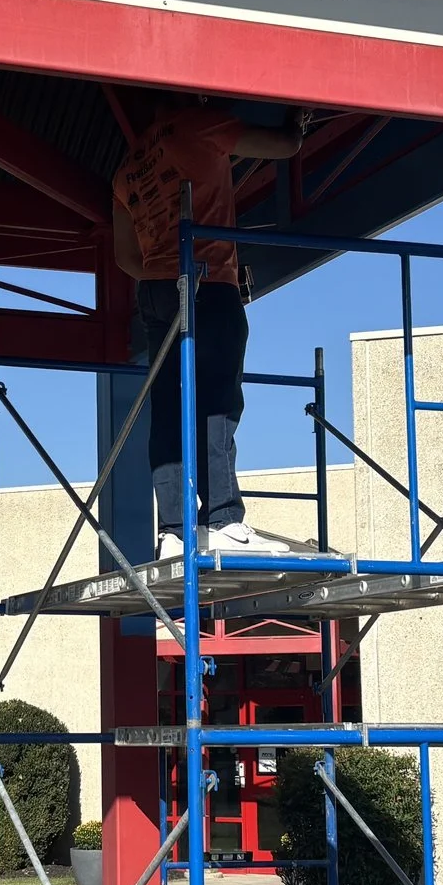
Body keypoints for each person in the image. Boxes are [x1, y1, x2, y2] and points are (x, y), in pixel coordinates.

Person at [111, 95, 302, 558]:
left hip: (156, 291)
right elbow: (285, 146)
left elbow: (125, 257)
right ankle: (222, 520)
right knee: (216, 403)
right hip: (208, 282)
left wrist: (162, 275)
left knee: (168, 409)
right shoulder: (199, 124)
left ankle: (175, 531)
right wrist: (299, 117)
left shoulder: (127, 170)